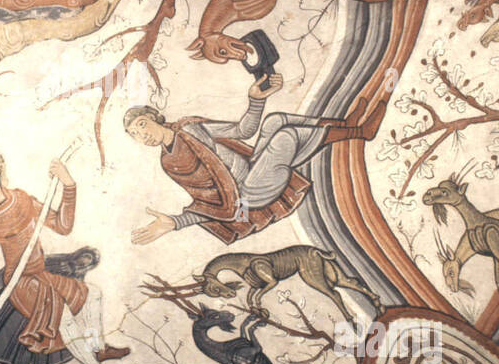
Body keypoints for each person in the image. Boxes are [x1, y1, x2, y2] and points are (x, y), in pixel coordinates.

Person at [0, 149, 134, 364]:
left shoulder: (22, 200)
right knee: (65, 322)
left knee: (94, 294)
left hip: (41, 273)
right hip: (21, 283)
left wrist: (68, 185)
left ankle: (98, 348)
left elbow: (63, 226)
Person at [125, 73, 385, 246]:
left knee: (275, 121)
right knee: (285, 138)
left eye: (142, 125)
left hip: (252, 169)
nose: (142, 135)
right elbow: (208, 201)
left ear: (154, 117)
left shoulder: (190, 127)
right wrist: (176, 222)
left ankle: (344, 126)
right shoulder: (172, 162)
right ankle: (361, 132)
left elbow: (243, 131)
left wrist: (255, 100)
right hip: (248, 194)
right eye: (135, 134)